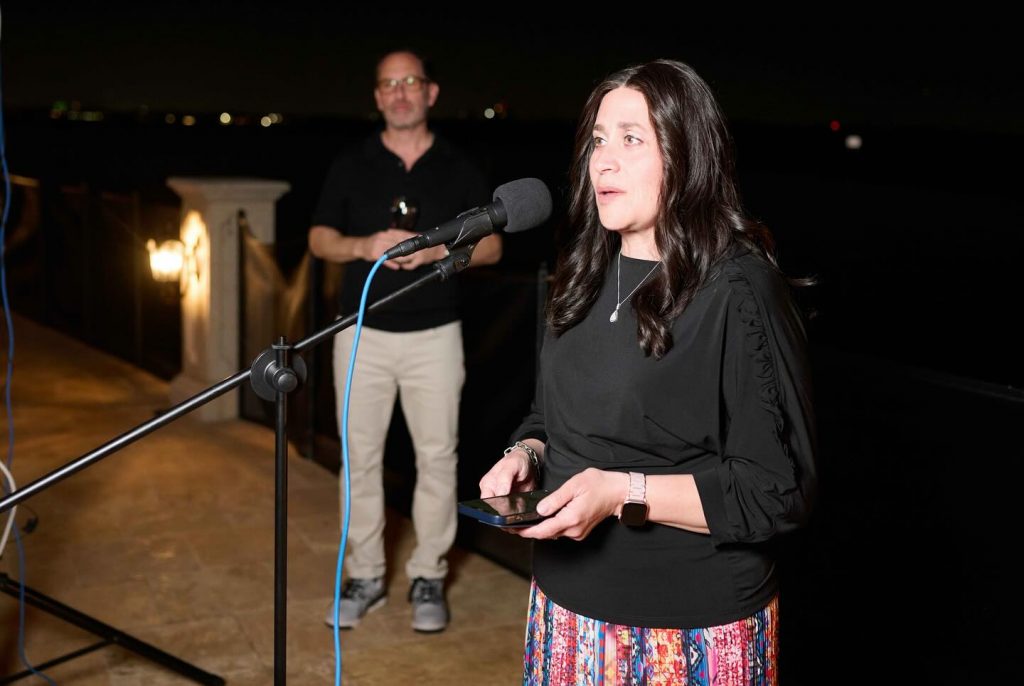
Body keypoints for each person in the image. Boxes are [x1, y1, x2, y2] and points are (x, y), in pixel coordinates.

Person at [479, 59, 816, 684]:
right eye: (597, 141)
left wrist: (621, 493)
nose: (601, 161)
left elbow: (779, 491)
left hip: (686, 632)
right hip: (563, 612)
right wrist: (525, 450)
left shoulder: (739, 288)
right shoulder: (579, 271)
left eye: (631, 139)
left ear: (686, 158)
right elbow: (548, 416)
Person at [309, 48, 501, 633]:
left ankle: (428, 575)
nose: (399, 93)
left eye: (409, 82)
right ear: (377, 96)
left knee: (437, 458)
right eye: (388, 84)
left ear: (430, 93)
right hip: (361, 334)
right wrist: (363, 247)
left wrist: (436, 248)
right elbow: (319, 238)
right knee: (359, 461)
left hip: (435, 338)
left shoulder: (458, 166)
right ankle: (365, 574)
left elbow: (491, 247)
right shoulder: (352, 162)